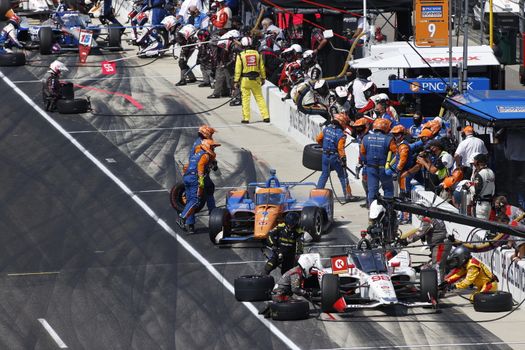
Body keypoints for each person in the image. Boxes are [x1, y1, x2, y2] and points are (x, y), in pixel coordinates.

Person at [400, 202, 452, 282]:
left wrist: (406, 240)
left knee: (437, 267)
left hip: (440, 245)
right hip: (441, 244)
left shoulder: (427, 219)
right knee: (439, 266)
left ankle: (438, 287)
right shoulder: (435, 215)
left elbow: (420, 233)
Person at [177, 139, 221, 234]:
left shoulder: (197, 154)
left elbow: (187, 166)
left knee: (190, 201)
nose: (214, 149)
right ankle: (182, 218)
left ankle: (189, 224)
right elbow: (201, 166)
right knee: (195, 201)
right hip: (194, 178)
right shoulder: (205, 155)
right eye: (213, 147)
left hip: (187, 177)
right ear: (208, 147)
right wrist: (201, 179)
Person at [316, 113, 359, 202]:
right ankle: (348, 195)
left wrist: (324, 147)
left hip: (325, 155)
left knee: (324, 175)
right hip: (335, 157)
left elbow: (318, 139)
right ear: (342, 122)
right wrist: (343, 159)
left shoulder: (326, 129)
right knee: (343, 176)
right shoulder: (341, 134)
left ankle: (316, 194)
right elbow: (340, 148)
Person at [233, 36, 270, 124]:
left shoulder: (241, 55)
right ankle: (266, 116)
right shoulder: (257, 54)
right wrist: (263, 78)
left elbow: (238, 69)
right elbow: (261, 67)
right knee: (260, 98)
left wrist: (235, 81)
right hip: (256, 79)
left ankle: (246, 118)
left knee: (245, 99)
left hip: (245, 80)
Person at [361, 118, 397, 203]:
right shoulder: (389, 139)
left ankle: (372, 213)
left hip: (371, 168)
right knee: (388, 190)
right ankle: (389, 212)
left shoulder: (365, 138)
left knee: (372, 191)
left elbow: (362, 153)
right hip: (384, 169)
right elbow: (396, 153)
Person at [388, 125, 413, 223]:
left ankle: (407, 218)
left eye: (397, 134)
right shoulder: (400, 145)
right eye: (394, 134)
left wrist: (397, 171)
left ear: (402, 135)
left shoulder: (403, 146)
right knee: (402, 195)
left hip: (405, 174)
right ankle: (404, 216)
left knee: (405, 195)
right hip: (402, 174)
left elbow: (402, 160)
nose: (395, 136)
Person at [470, 153, 495, 219]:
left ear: (478, 162)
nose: (474, 164)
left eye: (474, 162)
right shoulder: (491, 172)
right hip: (489, 204)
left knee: (481, 227)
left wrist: (469, 187)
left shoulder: (480, 174)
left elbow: (477, 190)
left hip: (481, 205)